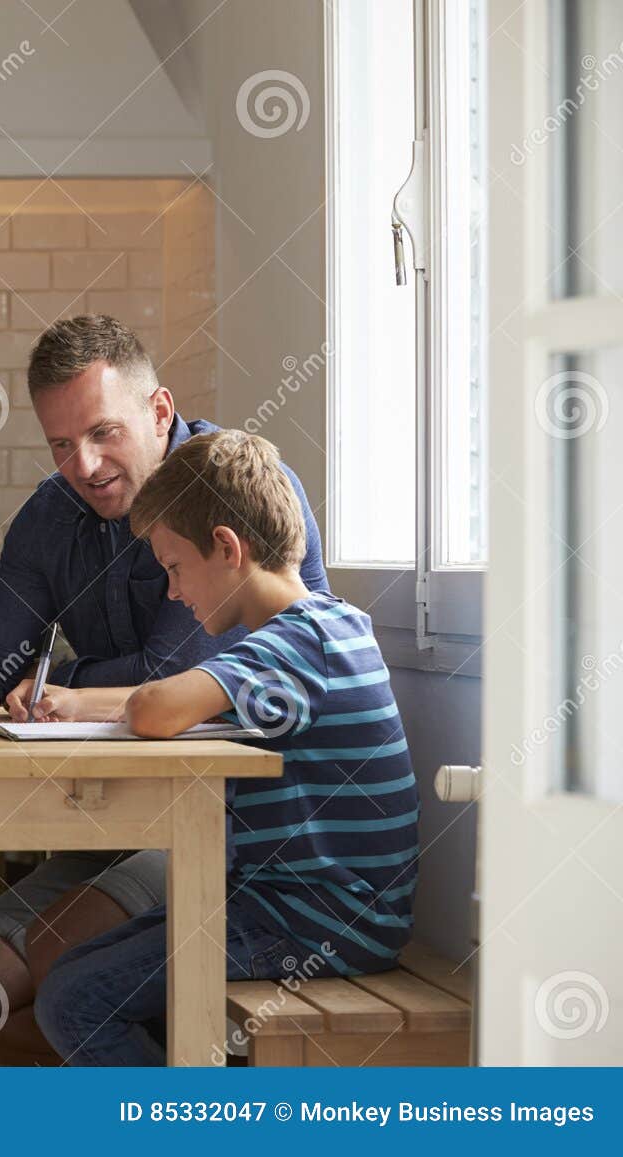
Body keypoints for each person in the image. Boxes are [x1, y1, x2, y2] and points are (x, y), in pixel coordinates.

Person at [0, 315, 330, 1062]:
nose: (83, 465)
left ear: (159, 412)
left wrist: (57, 683)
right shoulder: (52, 514)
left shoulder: (235, 495)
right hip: (122, 825)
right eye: (60, 444)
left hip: (235, 832)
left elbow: (168, 683)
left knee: (65, 962)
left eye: (103, 433)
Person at [31, 429, 418, 1065]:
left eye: (175, 569)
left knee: (74, 997)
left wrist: (108, 701)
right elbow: (177, 699)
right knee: (75, 968)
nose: (176, 593)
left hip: (319, 926)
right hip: (300, 908)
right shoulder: (324, 626)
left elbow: (158, 709)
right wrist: (76, 703)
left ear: (227, 548)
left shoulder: (296, 644)